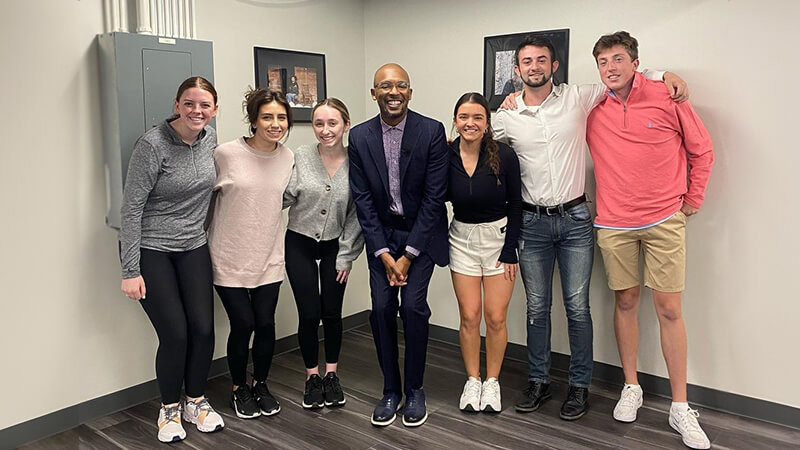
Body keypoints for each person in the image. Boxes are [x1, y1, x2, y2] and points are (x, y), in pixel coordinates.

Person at [495, 35, 689, 421]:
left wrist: (662, 73)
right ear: (517, 71)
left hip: (576, 221)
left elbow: (623, 77)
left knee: (577, 308)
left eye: (542, 60)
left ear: (554, 66)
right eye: (527, 62)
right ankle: (539, 380)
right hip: (532, 224)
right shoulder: (506, 116)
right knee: (536, 308)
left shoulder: (579, 98)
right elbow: (474, 141)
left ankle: (579, 386)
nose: (534, 67)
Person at [586, 31, 714, 449]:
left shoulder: (666, 95)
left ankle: (681, 406)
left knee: (669, 308)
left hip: (663, 219)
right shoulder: (592, 108)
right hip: (614, 223)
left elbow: (702, 150)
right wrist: (514, 99)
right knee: (625, 301)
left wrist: (691, 200)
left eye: (619, 59)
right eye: (603, 62)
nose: (611, 68)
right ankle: (631, 386)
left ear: (635, 62)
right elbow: (548, 104)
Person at [119, 76, 224, 443]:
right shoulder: (152, 145)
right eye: (190, 103)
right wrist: (130, 269)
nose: (197, 111)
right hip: (154, 249)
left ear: (214, 109)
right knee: (176, 333)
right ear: (177, 105)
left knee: (204, 329)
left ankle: (196, 400)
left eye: (205, 105)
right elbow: (131, 210)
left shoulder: (210, 139)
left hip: (194, 246)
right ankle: (169, 410)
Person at [348, 63, 449, 427]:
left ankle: (415, 389)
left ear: (410, 92)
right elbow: (363, 200)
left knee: (414, 307)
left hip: (420, 237)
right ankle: (391, 390)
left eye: (401, 85)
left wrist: (407, 256)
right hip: (382, 239)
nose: (394, 91)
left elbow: (435, 198)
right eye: (385, 86)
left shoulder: (431, 131)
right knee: (380, 309)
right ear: (374, 93)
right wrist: (385, 253)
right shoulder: (359, 137)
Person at [206, 89, 295, 420]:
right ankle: (237, 387)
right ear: (254, 120)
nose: (275, 124)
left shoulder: (287, 158)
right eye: (267, 117)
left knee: (266, 323)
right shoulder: (225, 154)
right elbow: (202, 200)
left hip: (269, 254)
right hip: (228, 255)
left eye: (281, 118)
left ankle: (261, 384)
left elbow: (286, 199)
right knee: (242, 323)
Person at [283, 98, 365, 410]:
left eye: (332, 123)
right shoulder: (301, 156)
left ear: (346, 125)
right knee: (308, 313)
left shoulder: (357, 162)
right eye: (319, 123)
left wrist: (346, 254)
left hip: (335, 246)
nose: (325, 130)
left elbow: (358, 214)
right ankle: (312, 376)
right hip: (299, 242)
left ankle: (331, 374)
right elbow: (284, 194)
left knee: (331, 312)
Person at [447, 92, 521, 413]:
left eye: (478, 117)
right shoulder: (444, 155)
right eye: (464, 117)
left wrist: (510, 249)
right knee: (469, 316)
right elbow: (434, 198)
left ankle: (492, 382)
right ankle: (473, 380)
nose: (470, 123)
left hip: (498, 239)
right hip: (461, 239)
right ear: (455, 120)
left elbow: (517, 204)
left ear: (487, 122)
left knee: (495, 316)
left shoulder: (504, 155)